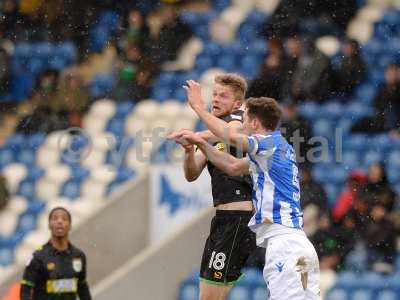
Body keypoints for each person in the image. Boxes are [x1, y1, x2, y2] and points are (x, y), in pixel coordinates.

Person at [170, 86, 320, 299]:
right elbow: (231, 166)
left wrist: (197, 108)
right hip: (295, 245)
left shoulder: (268, 144)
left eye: (246, 120)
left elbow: (230, 135)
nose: (243, 125)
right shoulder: (274, 150)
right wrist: (200, 143)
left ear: (255, 123)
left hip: (286, 246)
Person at [174, 74, 256, 300]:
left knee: (209, 296)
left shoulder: (240, 119)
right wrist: (190, 151)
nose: (216, 99)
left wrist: (198, 109)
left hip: (237, 218)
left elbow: (232, 132)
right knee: (211, 293)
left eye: (223, 96)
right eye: (215, 95)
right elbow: (191, 174)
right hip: (222, 219)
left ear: (238, 104)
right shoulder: (213, 132)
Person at [20, 207, 92, 300]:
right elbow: (25, 289)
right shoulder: (38, 257)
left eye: (64, 219)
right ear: (49, 225)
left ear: (70, 226)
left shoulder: (78, 256)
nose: (59, 221)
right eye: (55, 218)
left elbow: (82, 286)